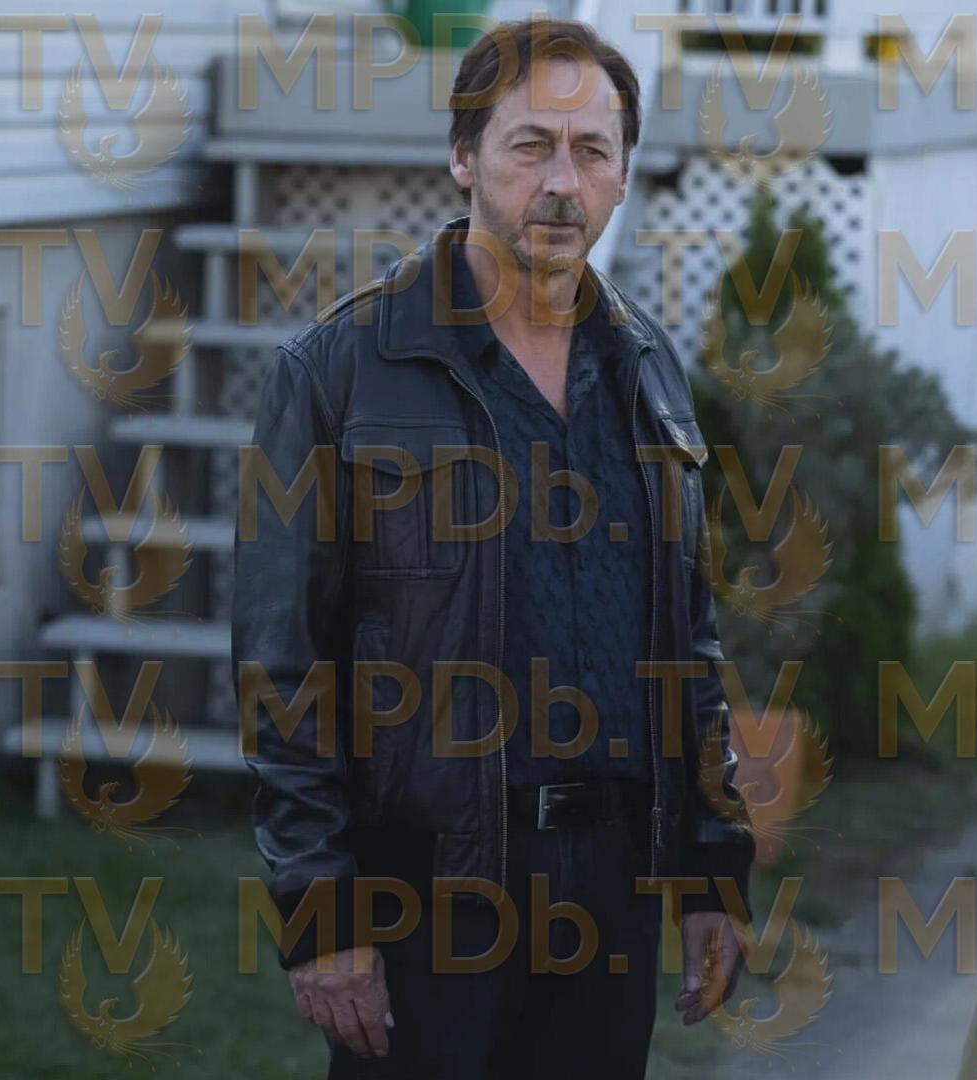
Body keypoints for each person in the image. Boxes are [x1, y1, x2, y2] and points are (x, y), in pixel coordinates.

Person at [233, 16, 756, 1077]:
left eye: (592, 150)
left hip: (610, 898)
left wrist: (712, 866)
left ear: (621, 176)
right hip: (429, 898)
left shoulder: (648, 367)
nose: (561, 181)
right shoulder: (343, 371)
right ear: (464, 157)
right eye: (531, 145)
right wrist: (322, 909)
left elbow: (687, 645)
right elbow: (282, 669)